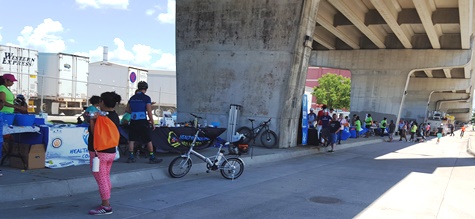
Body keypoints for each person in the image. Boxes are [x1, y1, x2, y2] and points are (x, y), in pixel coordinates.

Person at [87, 91, 121, 215]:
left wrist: (92, 120)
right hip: (111, 151)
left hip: (98, 153)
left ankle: (106, 206)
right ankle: (106, 201)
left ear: (102, 102)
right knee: (105, 177)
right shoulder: (114, 116)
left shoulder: (101, 118)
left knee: (101, 179)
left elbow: (94, 132)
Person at [126, 81, 162, 164]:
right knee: (148, 139)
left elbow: (127, 110)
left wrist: (135, 111)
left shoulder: (132, 98)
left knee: (131, 139)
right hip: (142, 121)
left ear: (138, 88)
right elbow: (149, 112)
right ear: (146, 89)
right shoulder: (146, 98)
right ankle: (152, 157)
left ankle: (131, 157)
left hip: (133, 120)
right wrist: (152, 123)